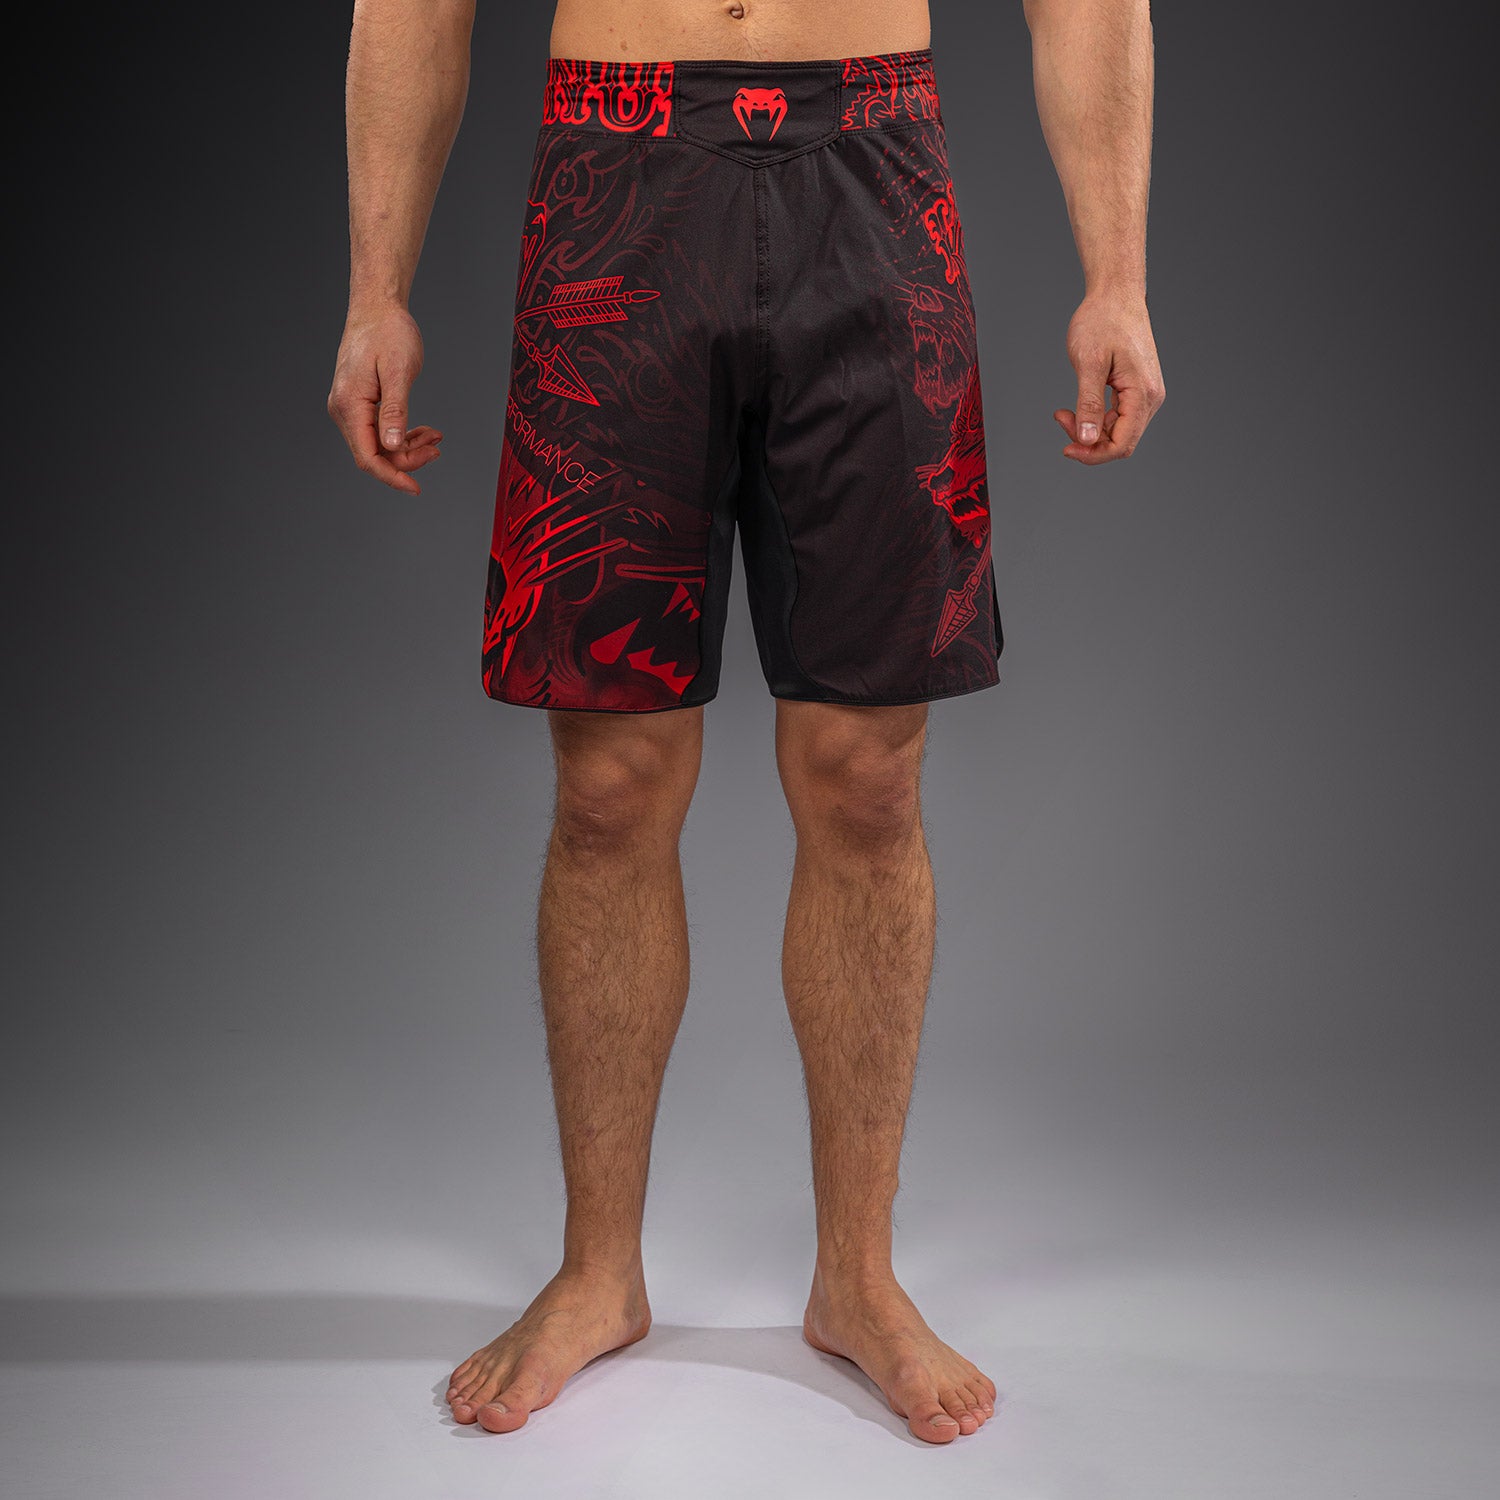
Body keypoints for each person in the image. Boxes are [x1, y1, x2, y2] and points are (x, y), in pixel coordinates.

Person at [327, 0, 1163, 1445]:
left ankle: (858, 1278)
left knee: (867, 775)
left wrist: (1119, 277)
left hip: (873, 168)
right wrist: (374, 289)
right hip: (617, 176)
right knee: (608, 782)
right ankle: (598, 1271)